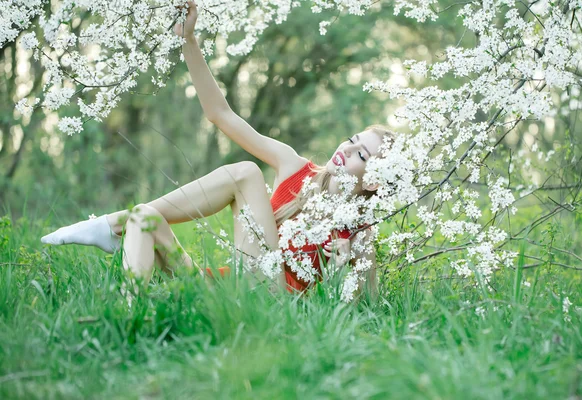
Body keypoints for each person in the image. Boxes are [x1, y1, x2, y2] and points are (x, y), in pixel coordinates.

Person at [41, 1, 394, 297]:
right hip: (222, 289)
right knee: (144, 217)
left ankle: (109, 225)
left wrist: (343, 265)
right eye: (352, 140)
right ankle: (130, 312)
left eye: (362, 155)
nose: (347, 150)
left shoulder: (358, 231)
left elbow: (361, 310)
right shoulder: (293, 166)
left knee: (247, 172)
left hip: (268, 301)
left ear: (374, 180)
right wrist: (189, 39)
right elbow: (219, 114)